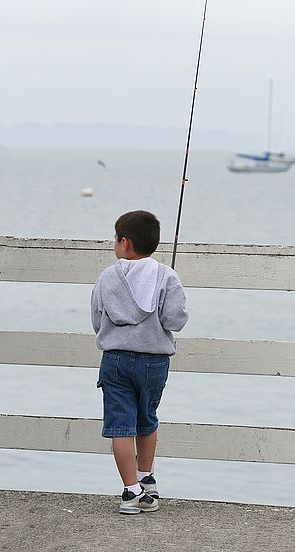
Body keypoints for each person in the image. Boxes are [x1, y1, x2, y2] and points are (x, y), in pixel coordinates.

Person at [91, 210, 188, 514]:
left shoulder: (107, 277)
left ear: (125, 242)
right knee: (147, 419)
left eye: (115, 240)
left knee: (121, 427)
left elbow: (97, 318)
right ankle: (147, 479)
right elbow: (175, 320)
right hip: (154, 363)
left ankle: (130, 491)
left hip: (115, 360)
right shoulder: (166, 276)